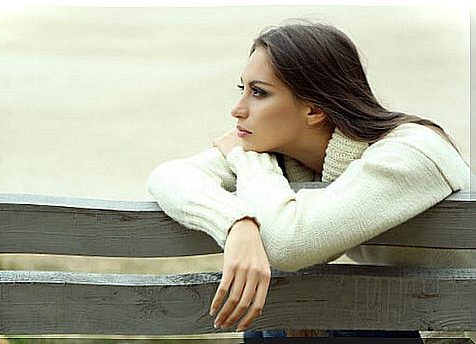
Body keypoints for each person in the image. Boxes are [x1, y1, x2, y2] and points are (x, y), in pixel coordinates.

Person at [147, 19, 471, 341]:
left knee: (283, 313)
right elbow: (169, 175)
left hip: (455, 332)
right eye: (242, 89)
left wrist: (245, 159)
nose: (237, 109)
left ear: (314, 110)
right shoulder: (279, 150)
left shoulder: (412, 152)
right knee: (280, 315)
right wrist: (236, 224)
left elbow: (289, 246)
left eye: (258, 93)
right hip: (420, 316)